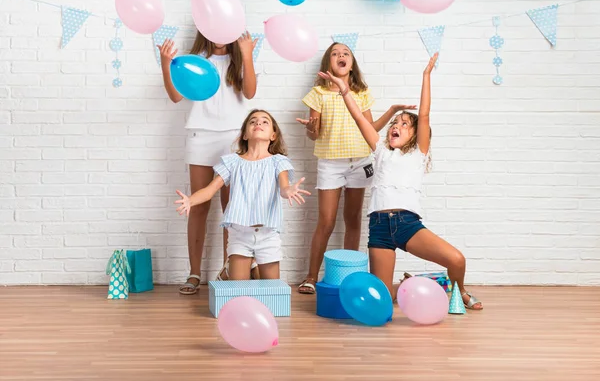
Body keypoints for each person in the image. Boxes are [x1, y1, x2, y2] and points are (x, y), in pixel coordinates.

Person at [318, 53, 483, 310]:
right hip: (380, 228)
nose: (396, 125)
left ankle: (457, 290)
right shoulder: (380, 151)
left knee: (457, 260)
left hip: (407, 225)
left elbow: (424, 115)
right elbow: (360, 118)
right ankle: (425, 282)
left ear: (416, 135)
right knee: (383, 297)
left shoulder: (419, 154)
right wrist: (344, 91)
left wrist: (426, 76)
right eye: (395, 122)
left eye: (405, 124)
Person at [297, 42, 415, 294]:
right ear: (328, 63)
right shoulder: (318, 93)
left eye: (345, 53)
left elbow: (370, 129)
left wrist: (392, 110)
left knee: (352, 220)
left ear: (352, 63)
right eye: (335, 54)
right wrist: (309, 127)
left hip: (360, 162)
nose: (340, 56)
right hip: (330, 163)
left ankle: (348, 277)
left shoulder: (361, 92)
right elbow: (313, 134)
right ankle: (310, 277)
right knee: (326, 221)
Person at [158, 31, 259, 294]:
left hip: (233, 139)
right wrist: (165, 63)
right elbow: (176, 96)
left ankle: (229, 269)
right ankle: (194, 273)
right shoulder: (195, 59)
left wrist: (247, 54)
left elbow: (249, 92)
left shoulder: (239, 60)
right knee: (199, 205)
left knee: (231, 207)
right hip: (200, 136)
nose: (219, 35)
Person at [175, 110, 310, 279]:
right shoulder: (232, 162)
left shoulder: (278, 161)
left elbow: (284, 188)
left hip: (267, 235)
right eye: (252, 122)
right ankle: (228, 273)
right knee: (238, 292)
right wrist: (190, 200)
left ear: (273, 135)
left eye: (264, 122)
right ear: (245, 135)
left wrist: (288, 190)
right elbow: (209, 191)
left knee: (271, 290)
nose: (258, 124)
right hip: (239, 235)